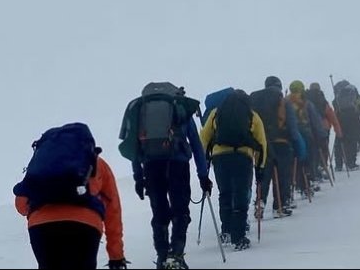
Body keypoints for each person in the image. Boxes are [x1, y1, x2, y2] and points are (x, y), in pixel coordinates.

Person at [14, 125, 127, 270]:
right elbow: (113, 210)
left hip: (42, 228)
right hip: (85, 226)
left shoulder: (41, 166)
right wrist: (116, 255)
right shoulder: (97, 163)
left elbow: (21, 205)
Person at [129, 82, 213, 269]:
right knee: (180, 210)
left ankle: (162, 256)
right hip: (178, 165)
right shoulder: (180, 109)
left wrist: (138, 177)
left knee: (159, 212)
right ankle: (176, 255)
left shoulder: (142, 112)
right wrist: (203, 175)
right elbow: (197, 145)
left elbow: (134, 148)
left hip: (151, 166)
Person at [200, 88, 266, 251]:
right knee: (241, 194)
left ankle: (226, 231)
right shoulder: (252, 115)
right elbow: (262, 143)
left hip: (220, 157)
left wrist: (205, 161)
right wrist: (260, 167)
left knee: (225, 194)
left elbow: (203, 137)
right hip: (243, 157)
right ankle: (239, 237)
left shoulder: (216, 112)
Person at [249, 76, 306, 217]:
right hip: (282, 142)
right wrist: (299, 148)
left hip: (262, 143)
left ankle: (260, 203)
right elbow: (293, 127)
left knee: (264, 174)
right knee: (282, 175)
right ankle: (281, 205)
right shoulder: (283, 101)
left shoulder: (255, 100)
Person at [304, 82, 343, 180]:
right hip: (323, 127)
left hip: (309, 128)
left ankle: (313, 170)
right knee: (323, 149)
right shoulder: (322, 100)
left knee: (313, 150)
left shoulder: (305, 99)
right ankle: (322, 167)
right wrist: (338, 131)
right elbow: (331, 115)